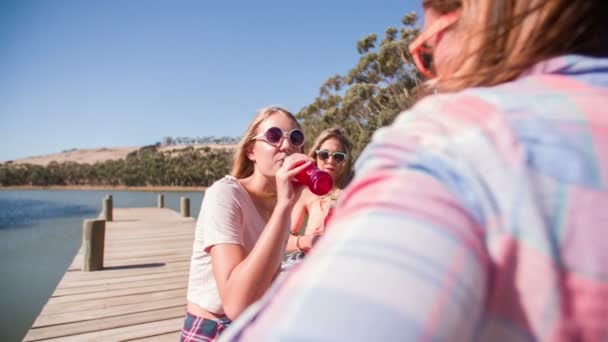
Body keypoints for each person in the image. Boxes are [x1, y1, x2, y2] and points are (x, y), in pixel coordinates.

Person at [220, 0, 608, 340]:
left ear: (471, 18)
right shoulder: (238, 194)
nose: (438, 78)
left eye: (428, 55)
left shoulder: (452, 142)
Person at [180, 106, 315, 341]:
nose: (286, 146)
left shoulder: (280, 202)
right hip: (213, 329)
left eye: (295, 138)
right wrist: (284, 206)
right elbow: (236, 304)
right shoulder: (225, 194)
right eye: (274, 136)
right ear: (251, 151)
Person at [283, 127, 353, 262]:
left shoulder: (353, 191)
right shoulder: (305, 192)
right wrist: (308, 241)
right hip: (308, 263)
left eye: (338, 157)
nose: (330, 161)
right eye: (324, 155)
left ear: (345, 161)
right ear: (315, 156)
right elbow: (285, 241)